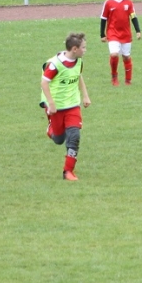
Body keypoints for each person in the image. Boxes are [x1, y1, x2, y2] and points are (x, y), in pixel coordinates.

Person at [41, 32, 92, 180]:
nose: (85, 50)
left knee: (74, 136)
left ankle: (68, 171)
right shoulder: (55, 64)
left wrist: (85, 95)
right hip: (57, 108)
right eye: (83, 47)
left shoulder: (79, 61)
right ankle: (50, 129)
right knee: (59, 139)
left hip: (73, 105)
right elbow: (44, 83)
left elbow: (78, 76)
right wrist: (51, 103)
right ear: (74, 49)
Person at [100, 0, 142, 86]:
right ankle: (114, 77)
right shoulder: (108, 3)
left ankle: (128, 80)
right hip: (113, 33)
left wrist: (138, 31)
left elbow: (133, 17)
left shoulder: (129, 3)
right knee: (114, 54)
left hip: (126, 34)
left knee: (126, 56)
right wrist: (102, 34)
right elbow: (103, 18)